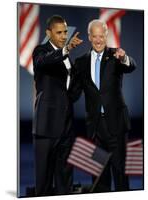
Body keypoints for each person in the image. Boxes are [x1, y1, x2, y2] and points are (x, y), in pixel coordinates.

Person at [70, 19, 136, 192]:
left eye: (102, 36)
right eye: (95, 36)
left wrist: (124, 58)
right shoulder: (81, 62)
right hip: (95, 129)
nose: (98, 40)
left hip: (116, 126)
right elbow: (74, 93)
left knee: (120, 175)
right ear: (90, 37)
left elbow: (131, 66)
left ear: (106, 36)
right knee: (98, 178)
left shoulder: (116, 55)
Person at [32, 15, 83, 196]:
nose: (63, 36)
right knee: (44, 183)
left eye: (65, 32)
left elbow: (70, 91)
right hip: (46, 127)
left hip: (67, 128)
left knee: (65, 182)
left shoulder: (68, 57)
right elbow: (43, 62)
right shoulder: (41, 51)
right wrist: (66, 49)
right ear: (49, 33)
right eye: (59, 32)